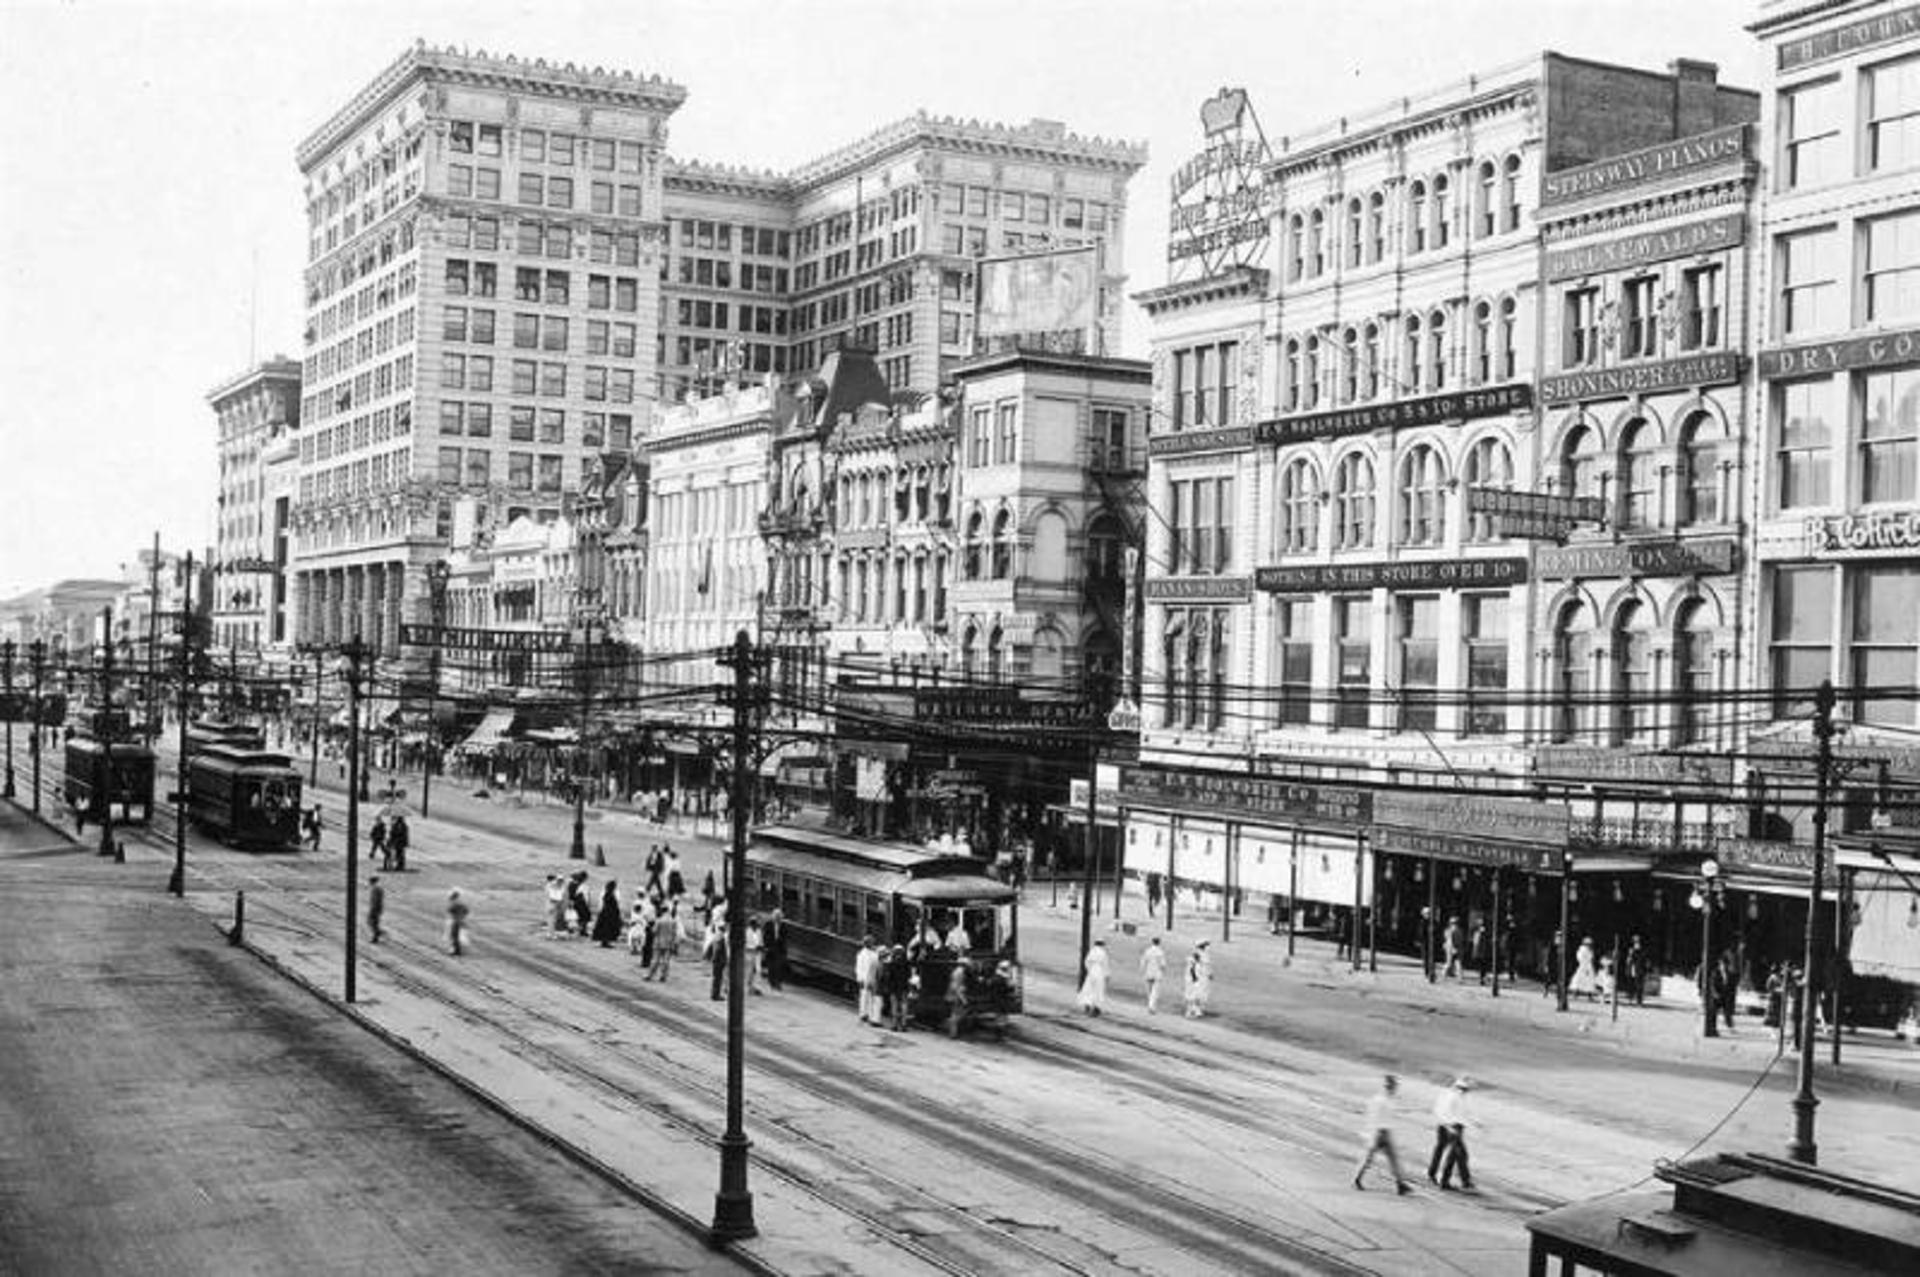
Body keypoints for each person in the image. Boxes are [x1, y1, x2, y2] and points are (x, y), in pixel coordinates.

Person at [1353, 1074, 1411, 1193]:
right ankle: (1357, 1179)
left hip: (1386, 1132)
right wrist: (1372, 1135)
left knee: (1393, 1159)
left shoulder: (1389, 1099)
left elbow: (1389, 1115)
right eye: (1394, 1086)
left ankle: (1401, 1184)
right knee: (1368, 1159)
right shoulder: (1379, 1100)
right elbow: (1372, 1118)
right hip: (1379, 1133)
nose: (1396, 1088)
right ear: (1389, 1086)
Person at [1427, 1077, 1475, 1191]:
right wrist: (1450, 1127)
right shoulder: (1453, 1097)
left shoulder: (1449, 1094)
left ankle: (1433, 1173)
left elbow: (1465, 1112)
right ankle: (1446, 1181)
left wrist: (1476, 1122)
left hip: (1446, 1126)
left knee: (1446, 1151)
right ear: (1459, 1087)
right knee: (1456, 1155)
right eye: (1464, 1089)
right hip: (1452, 1127)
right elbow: (1443, 1112)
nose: (1465, 1091)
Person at [646, 900, 682, 982]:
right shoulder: (673, 921)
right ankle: (663, 976)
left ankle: (650, 975)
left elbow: (654, 931)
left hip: (658, 942)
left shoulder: (659, 920)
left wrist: (650, 927)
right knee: (666, 961)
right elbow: (674, 933)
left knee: (655, 960)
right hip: (668, 943)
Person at [1077, 938, 1111, 1016]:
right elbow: (1105, 964)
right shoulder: (1103, 953)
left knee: (1089, 989)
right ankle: (1096, 1008)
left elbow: (1086, 962)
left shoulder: (1092, 951)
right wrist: (1107, 974)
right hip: (1099, 972)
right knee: (1098, 990)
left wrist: (1090, 970)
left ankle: (1087, 1005)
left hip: (1092, 971)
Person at [855, 935, 881, 1024]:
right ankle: (863, 1014)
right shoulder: (862, 954)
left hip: (872, 978)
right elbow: (859, 967)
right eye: (871, 942)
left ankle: (869, 1014)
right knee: (864, 996)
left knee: (870, 997)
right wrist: (860, 978)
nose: (873, 943)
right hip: (864, 978)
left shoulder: (874, 953)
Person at [1184, 939, 1213, 1019]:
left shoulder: (1205, 955)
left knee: (1201, 994)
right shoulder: (1196, 955)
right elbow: (1192, 968)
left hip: (1203, 977)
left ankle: (1196, 1010)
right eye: (1205, 945)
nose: (1207, 947)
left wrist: (1209, 974)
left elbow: (1207, 966)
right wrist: (1195, 978)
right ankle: (1192, 1011)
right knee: (1195, 994)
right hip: (1198, 978)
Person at [591, 880, 624, 948]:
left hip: (605, 913)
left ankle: (604, 941)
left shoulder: (606, 894)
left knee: (604, 928)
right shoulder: (611, 895)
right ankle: (606, 941)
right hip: (610, 914)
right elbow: (614, 905)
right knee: (608, 928)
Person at [1140, 936, 1168, 1014]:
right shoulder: (1160, 952)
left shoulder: (1148, 951)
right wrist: (1164, 970)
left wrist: (1143, 970)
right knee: (1154, 992)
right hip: (1157, 973)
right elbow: (1163, 964)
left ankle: (1150, 1005)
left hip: (1148, 972)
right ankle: (1151, 1007)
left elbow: (1143, 961)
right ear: (1159, 943)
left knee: (1149, 991)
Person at [705, 915, 730, 1002]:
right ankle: (715, 995)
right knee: (718, 978)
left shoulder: (716, 937)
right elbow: (719, 951)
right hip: (719, 961)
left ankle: (715, 994)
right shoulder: (720, 938)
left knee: (717, 978)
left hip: (716, 961)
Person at [762, 908, 787, 990]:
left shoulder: (783, 925)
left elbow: (785, 937)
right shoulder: (768, 924)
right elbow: (765, 936)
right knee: (771, 967)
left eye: (779, 917)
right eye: (776, 916)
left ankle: (778, 983)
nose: (778, 918)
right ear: (773, 916)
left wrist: (784, 948)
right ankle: (772, 982)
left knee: (779, 967)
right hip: (770, 947)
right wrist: (766, 947)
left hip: (779, 948)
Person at [1572, 936, 1598, 1000]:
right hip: (1583, 966)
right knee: (1579, 980)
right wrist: (1584, 965)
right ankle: (1575, 994)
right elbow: (1579, 957)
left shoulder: (1590, 950)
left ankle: (1590, 995)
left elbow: (1591, 958)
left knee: (1590, 981)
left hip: (1589, 966)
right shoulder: (1582, 950)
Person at [1624, 935, 1648, 1006]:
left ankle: (1639, 1001)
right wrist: (1630, 955)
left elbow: (1643, 959)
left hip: (1639, 969)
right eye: (1635, 940)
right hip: (1632, 968)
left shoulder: (1642, 950)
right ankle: (1630, 999)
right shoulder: (1630, 949)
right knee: (1631, 984)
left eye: (1637, 940)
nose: (1636, 942)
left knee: (1639, 985)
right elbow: (1628, 960)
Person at [445, 888, 469, 956]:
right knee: (460, 936)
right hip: (462, 921)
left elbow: (450, 912)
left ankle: (456, 951)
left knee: (454, 936)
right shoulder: (462, 904)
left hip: (455, 921)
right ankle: (458, 950)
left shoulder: (454, 904)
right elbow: (466, 911)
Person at [744, 914, 764, 995]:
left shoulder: (759, 931)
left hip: (757, 953)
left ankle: (757, 988)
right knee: (749, 971)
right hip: (749, 953)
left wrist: (761, 946)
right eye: (754, 923)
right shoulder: (747, 931)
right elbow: (745, 944)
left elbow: (761, 941)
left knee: (758, 971)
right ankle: (749, 988)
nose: (756, 925)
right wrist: (752, 948)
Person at [569, 872, 593, 937]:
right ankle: (582, 930)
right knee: (584, 917)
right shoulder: (582, 885)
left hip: (576, 902)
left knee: (579, 917)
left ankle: (580, 930)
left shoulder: (571, 884)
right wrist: (588, 903)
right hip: (581, 903)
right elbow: (586, 896)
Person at [545, 874, 569, 939]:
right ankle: (552, 934)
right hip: (554, 905)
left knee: (550, 920)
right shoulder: (560, 887)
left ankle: (550, 933)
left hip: (550, 904)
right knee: (552, 920)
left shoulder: (550, 885)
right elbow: (561, 897)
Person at [1443, 915, 1465, 981]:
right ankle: (1445, 974)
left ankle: (1459, 977)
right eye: (1454, 923)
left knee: (1457, 963)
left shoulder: (1451, 930)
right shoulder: (1452, 930)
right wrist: (1453, 948)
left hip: (1454, 947)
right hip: (1452, 947)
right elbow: (1450, 940)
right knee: (1450, 963)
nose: (1455, 924)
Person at [366, 875, 385, 944]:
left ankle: (376, 935)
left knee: (371, 922)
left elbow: (375, 900)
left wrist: (373, 909)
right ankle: (377, 933)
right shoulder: (378, 888)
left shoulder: (375, 889)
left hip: (375, 908)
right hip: (378, 908)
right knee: (373, 922)